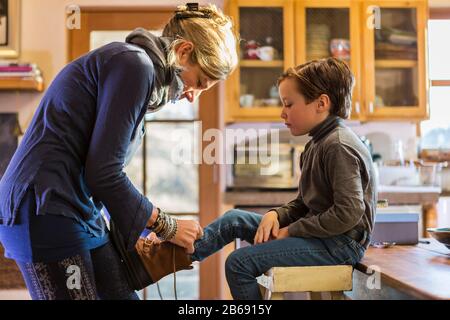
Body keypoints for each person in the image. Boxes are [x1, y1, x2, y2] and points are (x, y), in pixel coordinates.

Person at [0, 3, 238, 300]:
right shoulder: (134, 66)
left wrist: (142, 227)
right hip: (46, 208)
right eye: (201, 82)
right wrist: (166, 225)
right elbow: (104, 172)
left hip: (79, 209)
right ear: (184, 52)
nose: (193, 95)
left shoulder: (139, 72)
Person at [171, 57, 377, 300]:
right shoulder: (317, 143)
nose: (282, 112)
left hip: (340, 246)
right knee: (234, 219)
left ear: (321, 103)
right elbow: (304, 204)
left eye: (289, 104)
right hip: (325, 238)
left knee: (239, 263)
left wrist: (291, 231)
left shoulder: (338, 145)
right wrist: (277, 215)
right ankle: (169, 258)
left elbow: (348, 213)